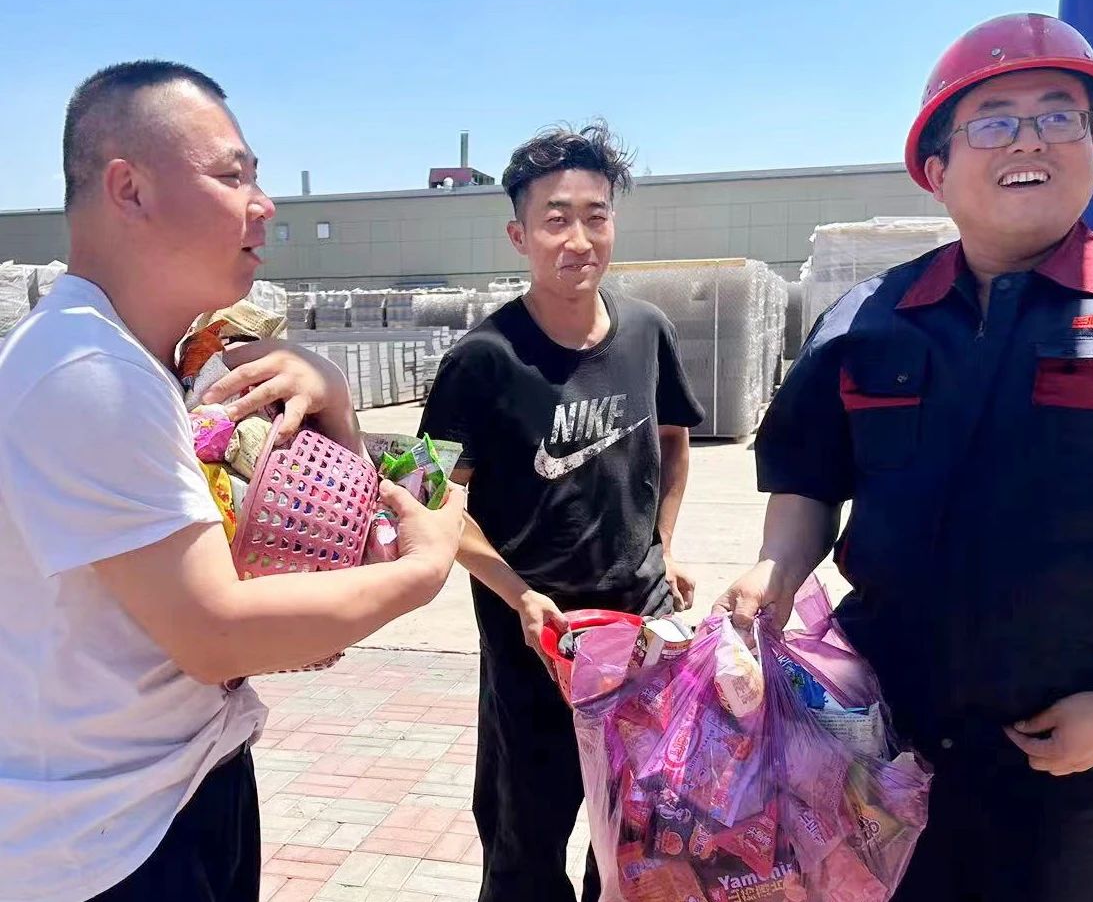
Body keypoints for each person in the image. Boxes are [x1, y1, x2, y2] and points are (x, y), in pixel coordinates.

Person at [715, 13, 1093, 901]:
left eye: (1058, 115)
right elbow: (807, 481)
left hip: (1072, 762)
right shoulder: (866, 321)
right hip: (877, 746)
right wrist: (774, 568)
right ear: (936, 170)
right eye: (994, 121)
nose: (1029, 139)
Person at [0, 61, 466, 902]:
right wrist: (422, 570)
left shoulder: (152, 364)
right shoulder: (86, 370)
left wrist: (334, 401)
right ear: (129, 188)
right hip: (108, 845)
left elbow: (297, 548)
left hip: (175, 787)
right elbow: (216, 632)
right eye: (231, 175)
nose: (264, 204)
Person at [419, 121, 705, 902]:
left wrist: (663, 545)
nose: (578, 239)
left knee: (637, 833)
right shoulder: (480, 359)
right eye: (555, 219)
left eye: (595, 216)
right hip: (535, 644)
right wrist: (517, 594)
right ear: (519, 235)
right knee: (525, 843)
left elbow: (673, 443)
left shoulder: (647, 331)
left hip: (641, 633)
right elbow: (430, 498)